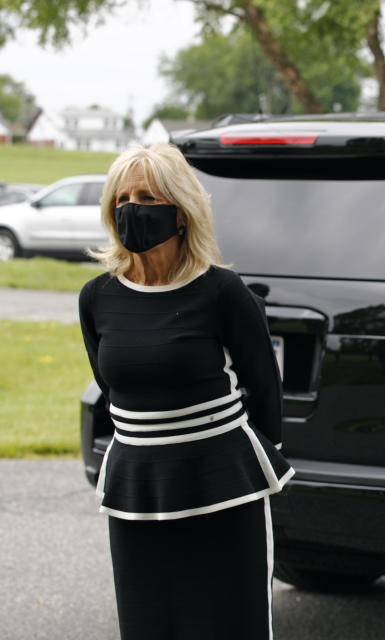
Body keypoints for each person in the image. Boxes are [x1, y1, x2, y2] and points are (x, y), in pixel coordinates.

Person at [79, 142, 294, 639]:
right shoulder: (97, 298)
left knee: (226, 623)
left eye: (149, 197)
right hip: (137, 488)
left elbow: (264, 386)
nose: (134, 208)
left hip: (221, 488)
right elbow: (112, 386)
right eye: (123, 197)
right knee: (150, 624)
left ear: (181, 211)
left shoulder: (222, 292)